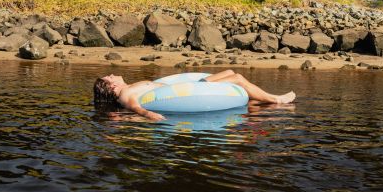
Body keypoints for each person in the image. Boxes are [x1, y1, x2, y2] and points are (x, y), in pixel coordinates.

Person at [94, 70, 296, 121]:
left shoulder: (128, 87)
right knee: (238, 79)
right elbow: (134, 107)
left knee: (231, 73)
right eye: (109, 76)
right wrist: (149, 115)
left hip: (192, 85)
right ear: (111, 86)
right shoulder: (125, 94)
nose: (113, 74)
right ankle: (276, 99)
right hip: (191, 90)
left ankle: (263, 100)